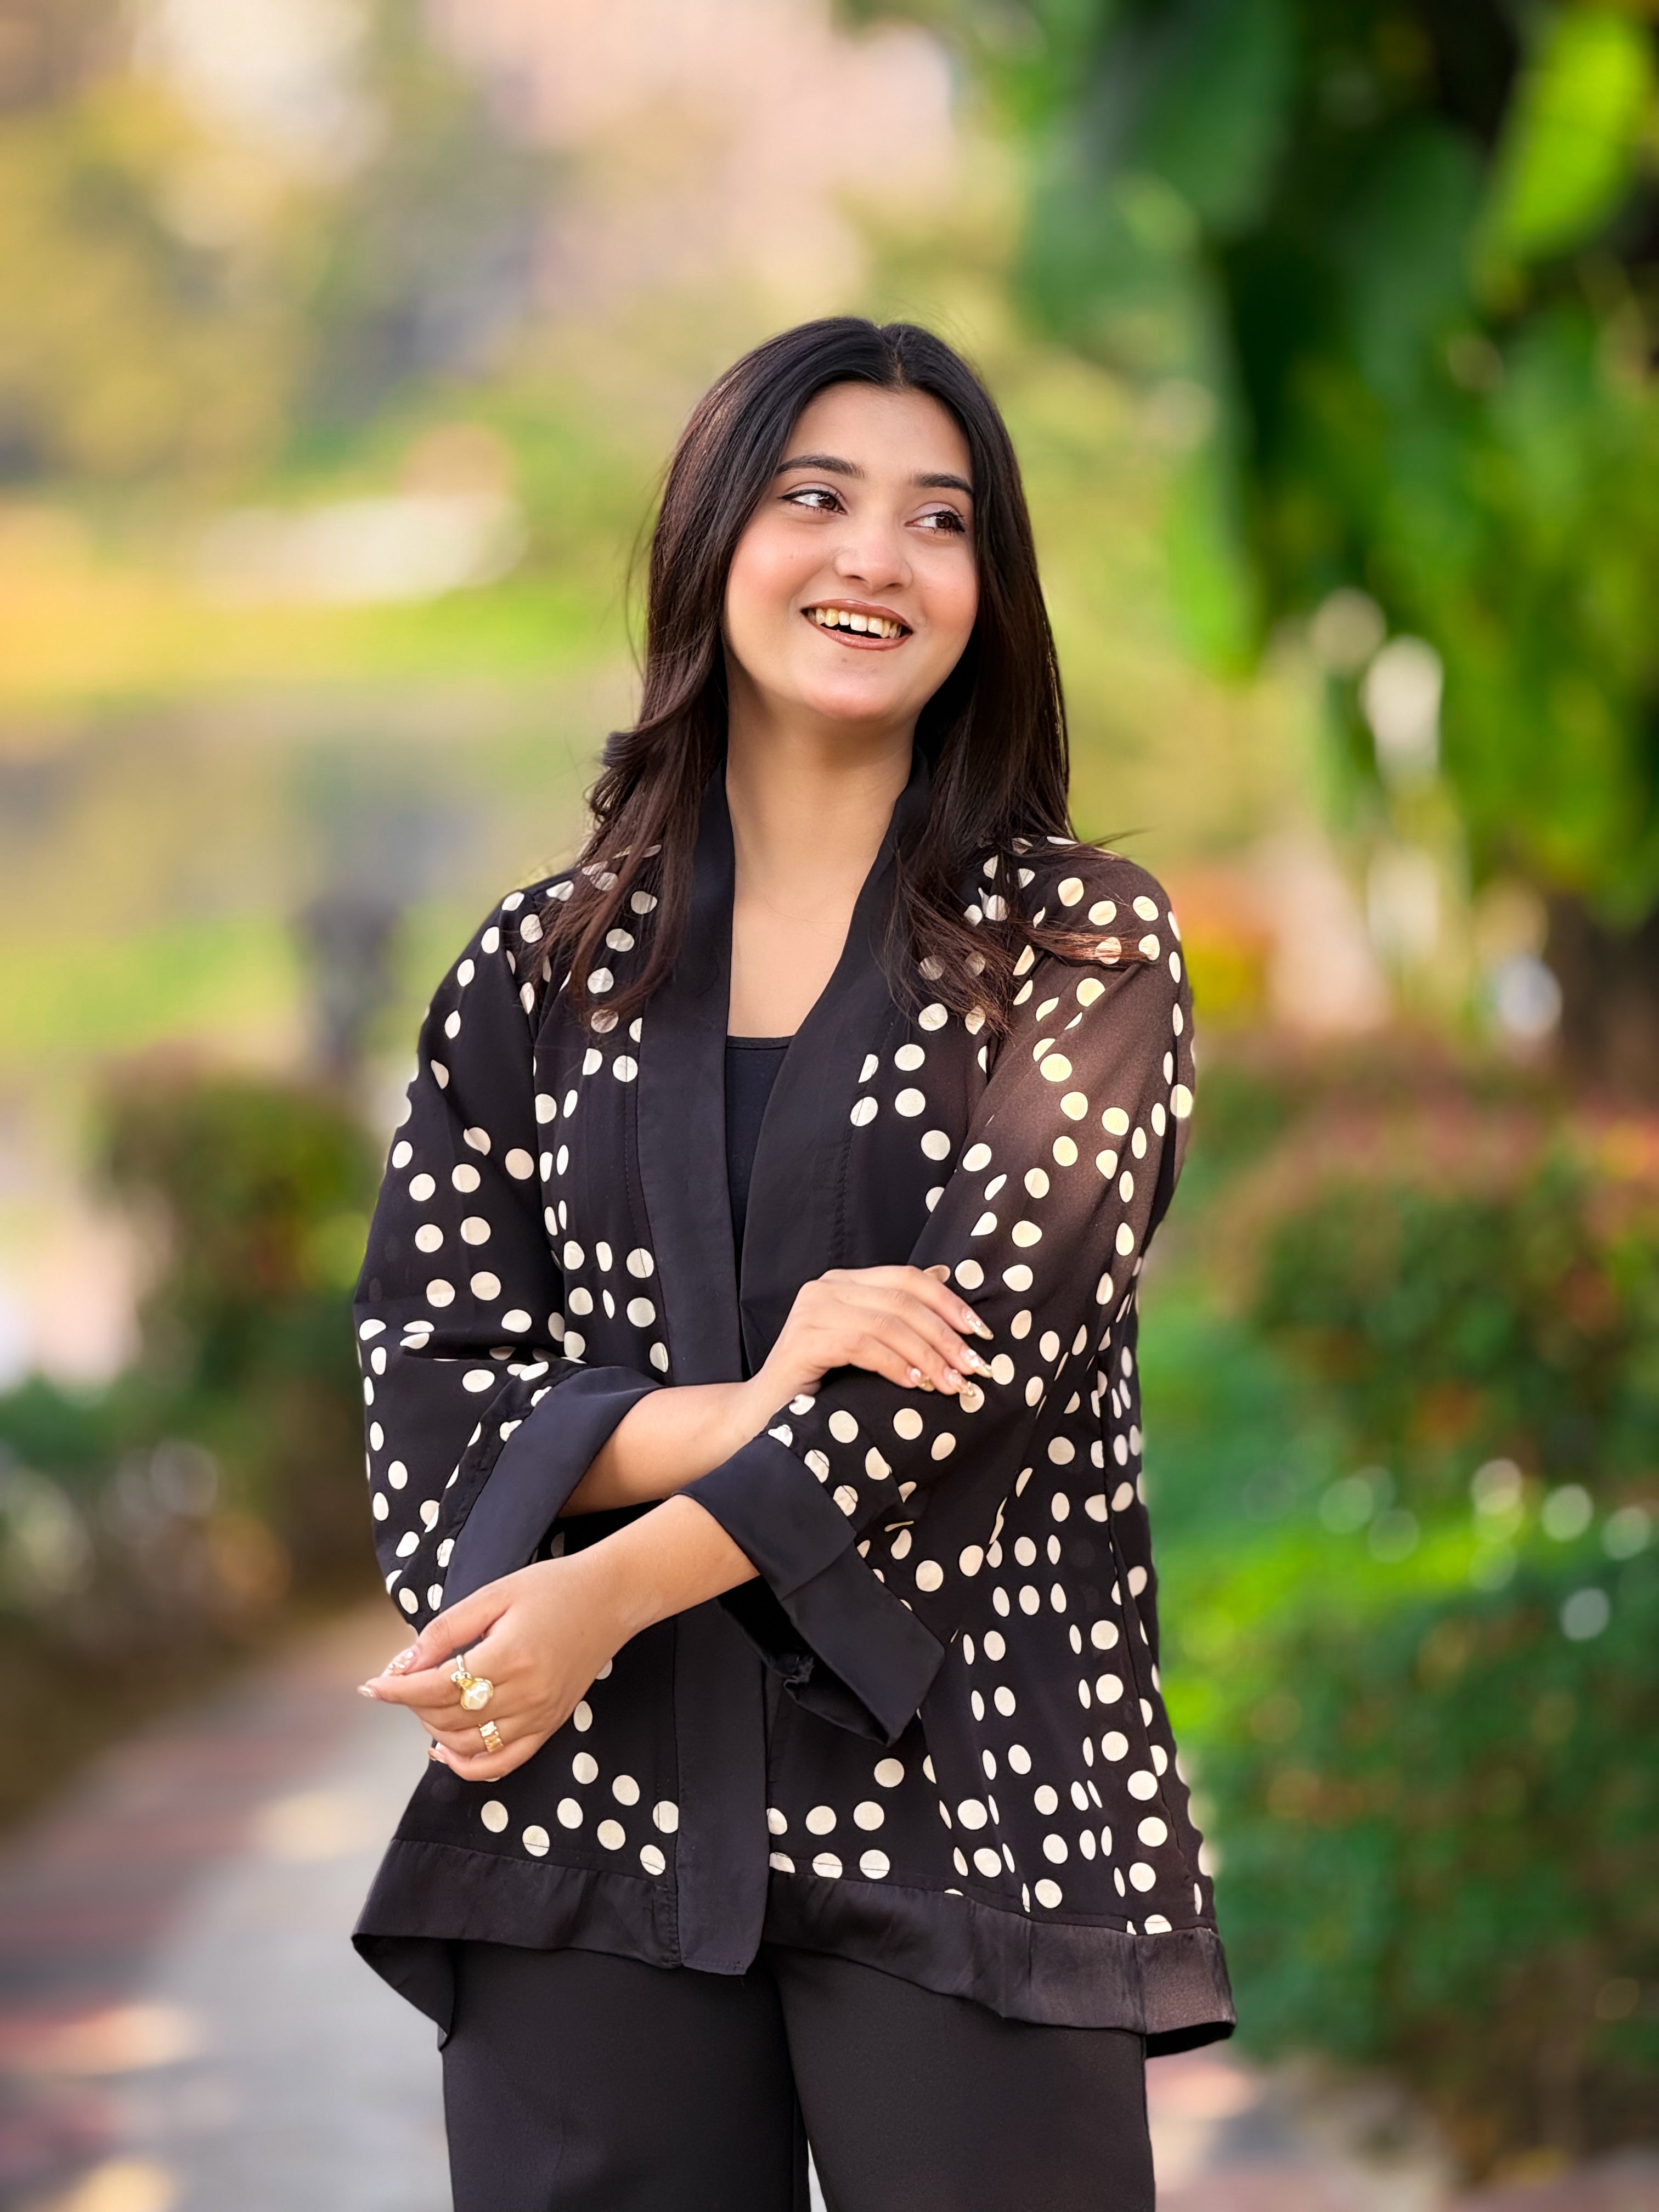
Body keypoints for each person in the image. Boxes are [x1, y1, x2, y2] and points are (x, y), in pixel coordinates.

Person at [352, 317, 1233, 2212]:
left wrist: (600, 1590)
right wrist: (744, 1406)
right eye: (815, 498)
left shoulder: (1083, 950)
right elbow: (426, 1404)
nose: (875, 558)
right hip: (591, 1824)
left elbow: (966, 1378)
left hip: (975, 1802)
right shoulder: (536, 970)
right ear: (714, 541)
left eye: (940, 519)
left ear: (988, 591)